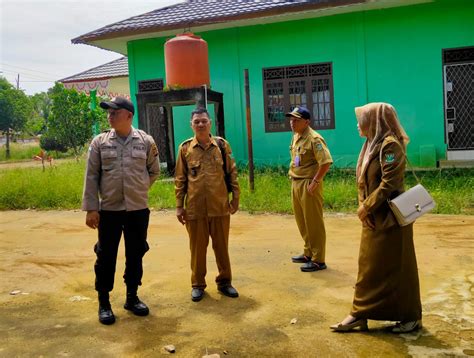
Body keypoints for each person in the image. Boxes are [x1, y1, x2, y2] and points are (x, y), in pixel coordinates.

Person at [330, 102, 422, 333]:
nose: (357, 124)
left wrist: (366, 208)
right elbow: (364, 181)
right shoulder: (371, 145)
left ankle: (409, 316)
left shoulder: (390, 146)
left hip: (391, 219)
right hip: (373, 216)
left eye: (362, 118)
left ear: (376, 121)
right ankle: (360, 313)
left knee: (398, 269)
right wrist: (364, 206)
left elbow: (390, 183)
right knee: (369, 268)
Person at [82, 96, 160, 325]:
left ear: (128, 115)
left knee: (136, 253)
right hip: (109, 210)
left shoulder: (145, 141)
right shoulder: (100, 142)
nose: (110, 116)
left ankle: (132, 297)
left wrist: (139, 189)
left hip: (137, 209)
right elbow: (92, 176)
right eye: (109, 112)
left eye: (114, 112)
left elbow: (154, 171)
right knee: (106, 256)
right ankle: (104, 302)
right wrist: (91, 209)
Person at [175, 107, 240, 302]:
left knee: (221, 247)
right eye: (197, 122)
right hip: (195, 209)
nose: (201, 124)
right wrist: (179, 205)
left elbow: (232, 173)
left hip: (219, 206)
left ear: (210, 123)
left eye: (204, 121)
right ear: (191, 125)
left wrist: (235, 197)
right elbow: (180, 179)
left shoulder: (221, 145)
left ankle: (225, 282)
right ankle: (197, 284)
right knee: (197, 249)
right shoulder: (185, 149)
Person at [286, 106, 332, 272]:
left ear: (307, 122)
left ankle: (319, 259)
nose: (292, 123)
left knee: (314, 222)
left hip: (309, 184)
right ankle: (308, 252)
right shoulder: (296, 137)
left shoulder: (315, 139)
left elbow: (326, 162)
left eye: (296, 120)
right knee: (302, 221)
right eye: (291, 119)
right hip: (296, 182)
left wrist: (315, 181)